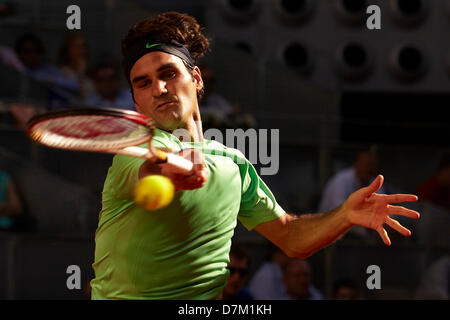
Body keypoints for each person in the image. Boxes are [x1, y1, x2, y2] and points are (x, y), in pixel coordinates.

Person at [90, 11, 420, 300]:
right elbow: (153, 168)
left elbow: (291, 237)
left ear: (196, 77)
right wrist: (173, 171)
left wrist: (344, 215)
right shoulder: (134, 151)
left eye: (168, 74)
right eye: (143, 83)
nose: (159, 89)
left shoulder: (231, 163)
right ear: (135, 100)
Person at [318, 146, 387, 242]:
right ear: (356, 163)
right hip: (326, 233)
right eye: (365, 164)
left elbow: (385, 211)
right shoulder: (341, 181)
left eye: (372, 165)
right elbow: (341, 214)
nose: (369, 169)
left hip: (359, 234)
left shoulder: (375, 181)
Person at [15, 32, 79, 108]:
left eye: (37, 50)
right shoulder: (17, 69)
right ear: (19, 53)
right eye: (28, 51)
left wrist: (50, 80)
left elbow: (74, 85)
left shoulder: (48, 69)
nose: (32, 54)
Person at [57, 31, 96, 101]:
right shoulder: (61, 73)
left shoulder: (92, 73)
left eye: (84, 46)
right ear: (67, 50)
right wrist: (80, 73)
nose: (82, 51)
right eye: (77, 47)